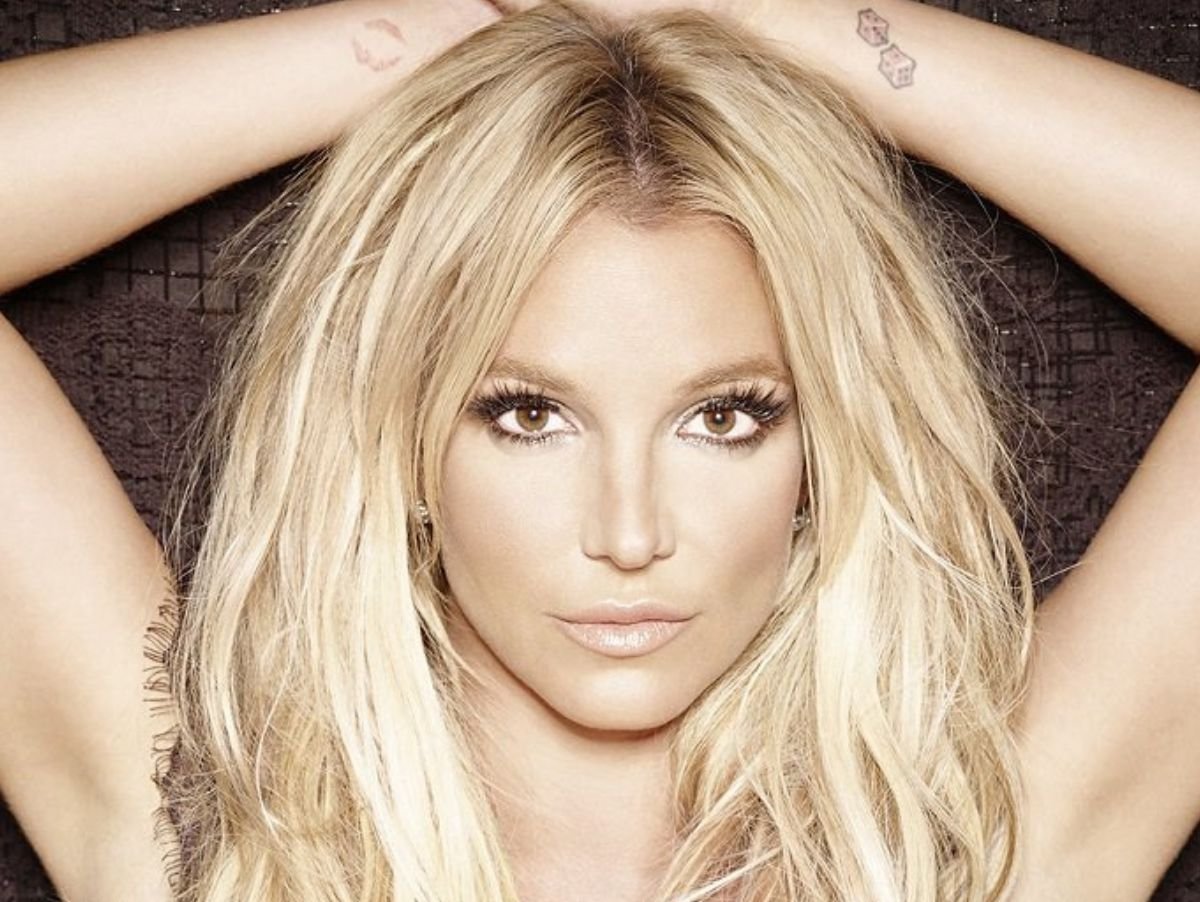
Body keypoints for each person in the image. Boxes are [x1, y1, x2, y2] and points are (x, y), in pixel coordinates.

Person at [0, 0, 1197, 900]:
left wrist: (754, 18)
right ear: (399, 438)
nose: (630, 532)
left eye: (724, 416)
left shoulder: (979, 843)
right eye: (527, 414)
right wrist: (442, 32)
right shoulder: (212, 835)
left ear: (825, 448)